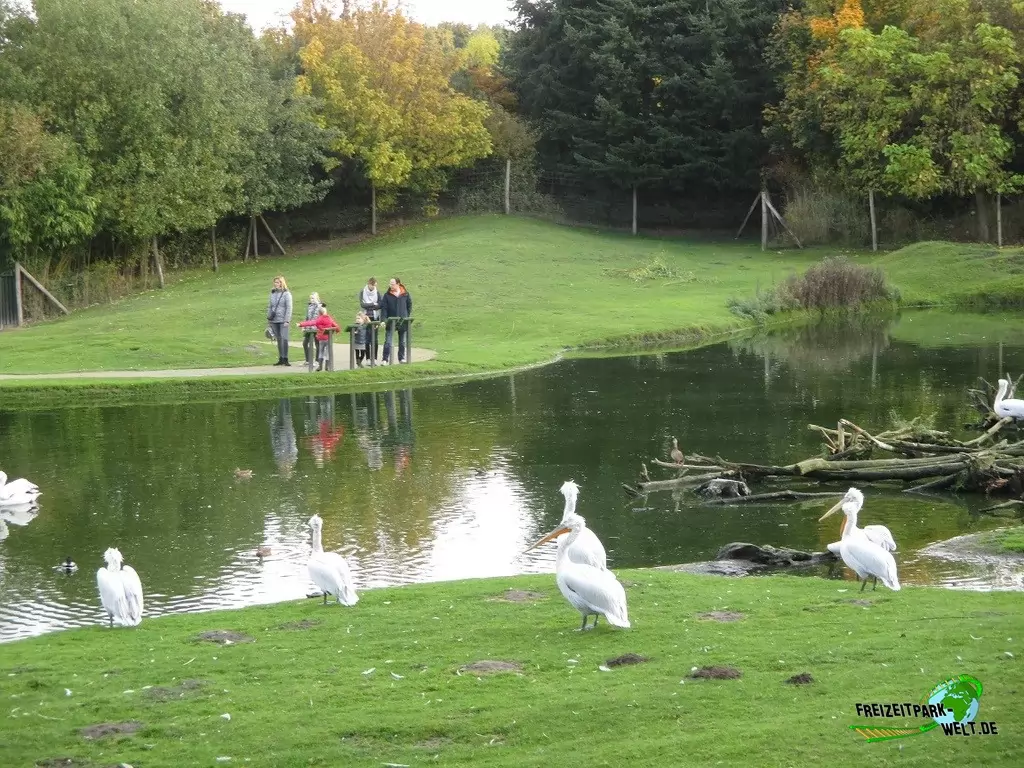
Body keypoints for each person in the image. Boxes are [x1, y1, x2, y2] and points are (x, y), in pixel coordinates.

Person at [298, 305, 341, 371]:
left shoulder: (319, 319)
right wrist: (338, 331)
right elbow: (336, 326)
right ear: (326, 312)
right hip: (328, 338)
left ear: (319, 313)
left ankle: (320, 366)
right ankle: (327, 366)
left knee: (321, 351)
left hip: (321, 338)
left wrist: (301, 324)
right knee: (327, 352)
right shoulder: (329, 319)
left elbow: (310, 323)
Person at [379, 276, 412, 364]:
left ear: (398, 284)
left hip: (403, 321)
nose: (390, 286)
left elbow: (409, 306)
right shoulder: (387, 295)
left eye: (392, 284)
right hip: (391, 321)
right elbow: (384, 309)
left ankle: (401, 358)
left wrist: (406, 316)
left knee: (402, 341)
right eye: (390, 284)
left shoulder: (405, 294)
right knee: (388, 341)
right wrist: (383, 320)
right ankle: (385, 359)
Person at [267, 275, 293, 366]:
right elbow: (270, 306)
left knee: (284, 338)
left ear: (282, 283)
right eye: (275, 282)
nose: (276, 284)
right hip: (274, 319)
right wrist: (269, 318)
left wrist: (287, 320)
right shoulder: (272, 293)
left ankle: (286, 358)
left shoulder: (287, 294)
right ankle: (281, 358)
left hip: (283, 320)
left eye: (278, 282)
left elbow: (289, 307)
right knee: (278, 339)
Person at [359, 277, 381, 362]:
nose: (374, 287)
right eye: (373, 285)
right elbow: (362, 305)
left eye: (375, 286)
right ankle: (368, 358)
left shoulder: (377, 293)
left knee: (375, 338)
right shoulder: (362, 292)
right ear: (369, 284)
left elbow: (379, 305)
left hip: (375, 317)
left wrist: (369, 305)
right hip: (365, 317)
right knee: (367, 338)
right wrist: (373, 304)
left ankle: (374, 358)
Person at [302, 291, 324, 367]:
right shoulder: (309, 306)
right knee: (305, 343)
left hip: (317, 328)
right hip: (309, 328)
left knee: (317, 344)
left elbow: (322, 317)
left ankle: (317, 360)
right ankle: (308, 360)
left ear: (317, 298)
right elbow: (307, 317)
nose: (312, 299)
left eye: (313, 298)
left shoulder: (321, 306)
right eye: (311, 298)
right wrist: (304, 326)